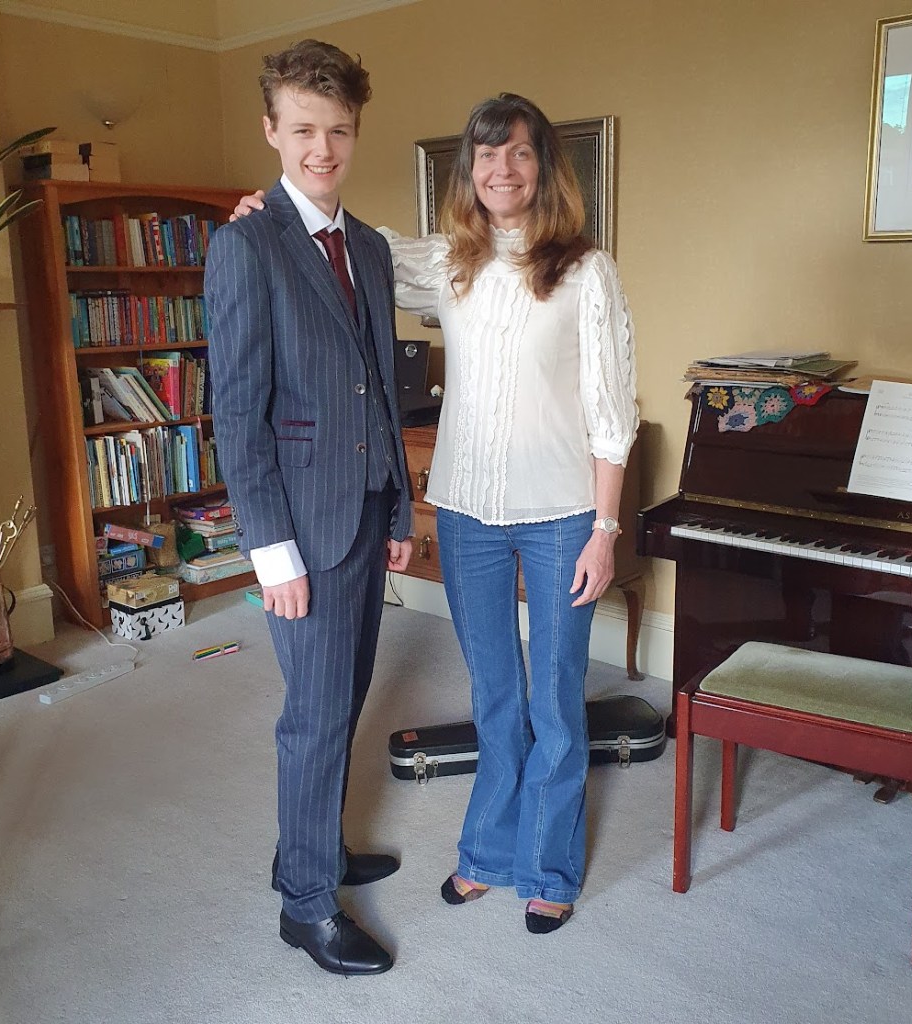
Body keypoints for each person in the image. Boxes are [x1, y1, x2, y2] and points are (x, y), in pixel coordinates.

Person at [234, 92, 637, 933]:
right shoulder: (445, 261)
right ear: (469, 170)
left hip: (562, 516)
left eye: (519, 153)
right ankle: (486, 853)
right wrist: (266, 217)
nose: (502, 169)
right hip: (464, 516)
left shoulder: (585, 270)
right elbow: (345, 243)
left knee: (555, 701)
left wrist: (605, 530)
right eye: (486, 155)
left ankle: (550, 866)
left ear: (544, 167)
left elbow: (611, 413)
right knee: (494, 694)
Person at [207, 39, 412, 976]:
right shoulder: (245, 244)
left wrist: (399, 510)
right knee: (316, 717)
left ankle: (316, 848)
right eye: (302, 130)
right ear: (271, 131)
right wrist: (270, 552)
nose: (320, 149)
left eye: (337, 131)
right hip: (300, 527)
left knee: (347, 695)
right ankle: (305, 904)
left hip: (365, 510)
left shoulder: (368, 246)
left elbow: (381, 387)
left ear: (355, 132)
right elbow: (237, 413)